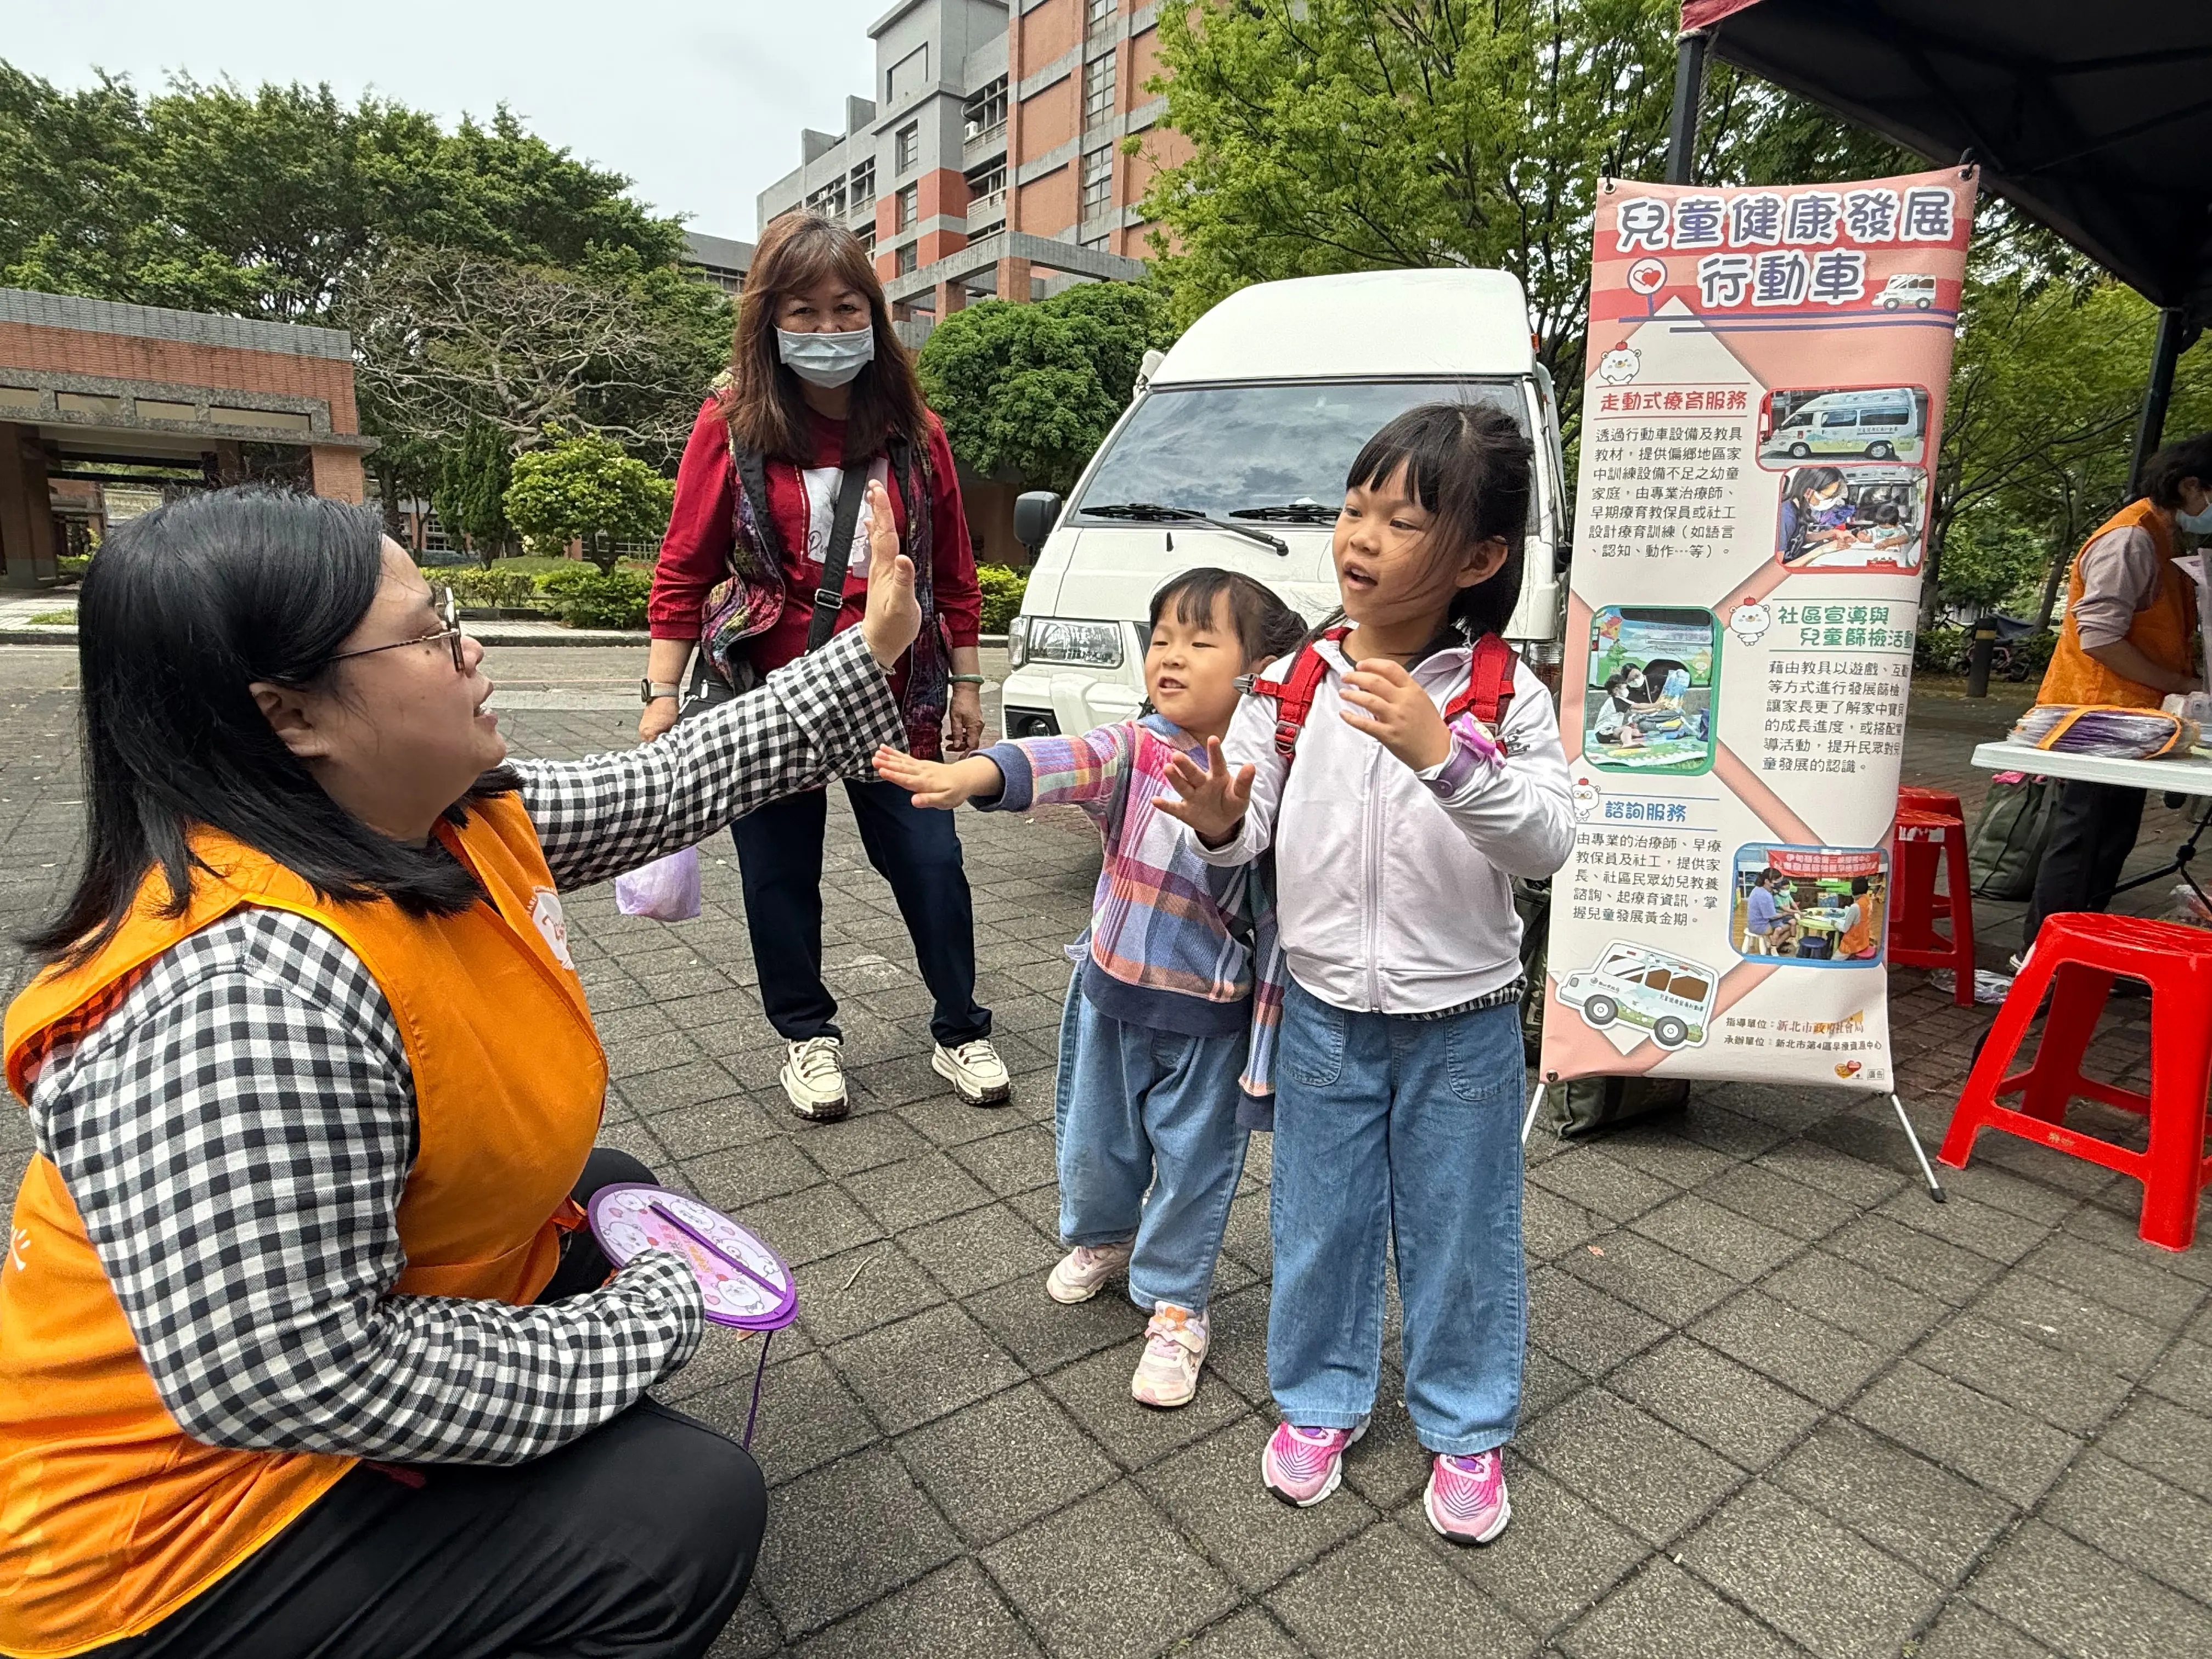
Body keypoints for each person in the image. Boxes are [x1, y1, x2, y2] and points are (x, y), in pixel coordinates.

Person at [0, 484, 924, 1658]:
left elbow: (665, 784)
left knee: (607, 1191)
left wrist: (869, 648)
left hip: (283, 1403)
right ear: (291, 713)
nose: (471, 646)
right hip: (172, 1534)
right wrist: (643, 1322)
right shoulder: (243, 992)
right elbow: (302, 1375)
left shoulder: (428, 818)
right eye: (429, 631)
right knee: (684, 1517)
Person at [1158, 403, 1575, 1544]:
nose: (1363, 537)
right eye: (1354, 510)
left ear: (1478, 559)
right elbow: (1249, 828)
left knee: (1463, 1233)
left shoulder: (1504, 691)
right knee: (1319, 1220)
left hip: (1466, 1022)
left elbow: (1548, 841)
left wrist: (1446, 755)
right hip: (1324, 1014)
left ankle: (1467, 1424)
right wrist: (1217, 822)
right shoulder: (1294, 681)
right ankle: (1319, 1401)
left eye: (1402, 520)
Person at [876, 569, 1306, 1409]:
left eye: (1200, 642)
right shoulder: (1139, 748)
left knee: (1195, 1168)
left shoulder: (1271, 773)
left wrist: (1227, 813)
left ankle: (1177, 1304)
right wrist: (975, 775)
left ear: (1257, 673)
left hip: (1211, 1018)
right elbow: (1069, 758)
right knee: (1095, 1143)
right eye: (1162, 639)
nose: (1170, 656)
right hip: (1110, 997)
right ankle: (1105, 1236)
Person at [641, 211, 1002, 1122]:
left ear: (875, 315)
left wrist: (967, 682)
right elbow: (683, 567)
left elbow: (955, 571)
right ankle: (807, 1035)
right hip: (770, 691)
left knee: (930, 861)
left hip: (896, 694)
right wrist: (660, 694)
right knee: (778, 874)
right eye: (804, 311)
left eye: (848, 308)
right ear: (770, 319)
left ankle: (960, 1026)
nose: (829, 329)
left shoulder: (916, 432)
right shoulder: (731, 425)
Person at [2023, 433, 2212, 957]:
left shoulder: (2164, 536)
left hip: (2133, 718)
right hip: (2098, 715)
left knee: (2109, 837)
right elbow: (2100, 639)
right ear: (2191, 485)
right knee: (2085, 839)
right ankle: (2043, 957)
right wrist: (2182, 684)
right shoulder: (2130, 539)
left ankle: (2075, 953)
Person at [1778, 466, 1850, 564]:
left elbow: (1800, 538)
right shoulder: (1786, 515)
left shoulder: (1801, 511)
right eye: (1827, 497)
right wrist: (1821, 550)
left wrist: (1833, 533)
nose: (1830, 501)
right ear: (1808, 491)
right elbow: (1776, 566)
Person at [1839, 874, 1879, 960]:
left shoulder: (1855, 907)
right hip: (1864, 941)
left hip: (1853, 943)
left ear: (1853, 891)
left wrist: (1834, 924)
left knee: (1833, 961)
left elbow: (1845, 929)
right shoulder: (1869, 901)